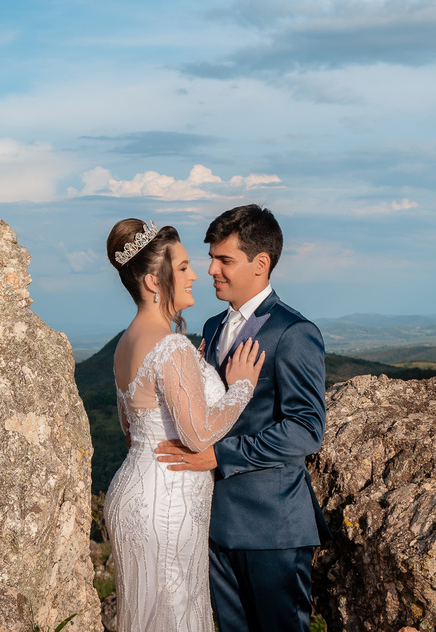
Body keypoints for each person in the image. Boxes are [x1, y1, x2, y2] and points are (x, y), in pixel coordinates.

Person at [156, 205, 329, 632]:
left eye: (225, 260)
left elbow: (306, 429)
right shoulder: (213, 326)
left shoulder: (293, 332)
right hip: (215, 524)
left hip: (272, 527)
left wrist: (220, 454)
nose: (211, 269)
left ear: (261, 263)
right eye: (212, 258)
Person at [104, 218, 265, 631]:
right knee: (175, 610)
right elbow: (196, 435)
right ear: (154, 282)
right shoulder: (170, 345)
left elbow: (131, 430)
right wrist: (241, 388)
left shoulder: (127, 342)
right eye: (182, 267)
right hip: (168, 501)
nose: (195, 275)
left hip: (135, 490)